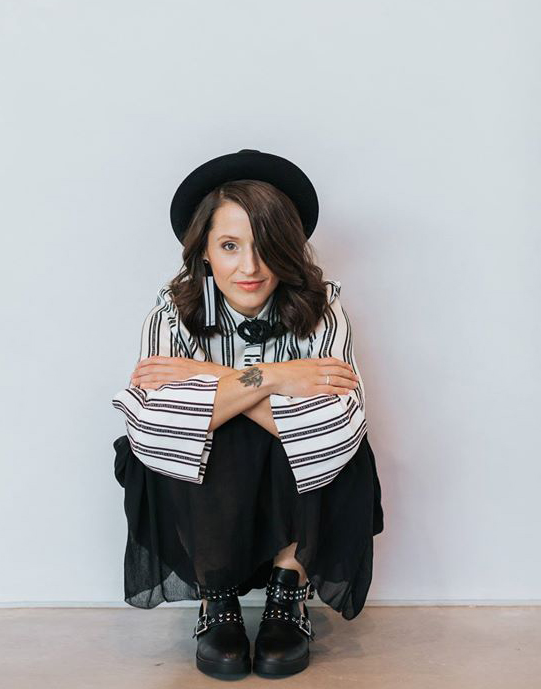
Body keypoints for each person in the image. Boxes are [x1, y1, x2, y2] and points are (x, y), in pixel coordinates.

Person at [111, 148, 384, 677]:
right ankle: (216, 597)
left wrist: (205, 383)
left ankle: (288, 590)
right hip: (208, 495)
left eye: (265, 246)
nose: (250, 268)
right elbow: (154, 427)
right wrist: (278, 377)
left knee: (328, 445)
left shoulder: (323, 309)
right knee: (198, 439)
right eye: (230, 246)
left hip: (296, 483)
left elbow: (333, 430)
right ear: (204, 251)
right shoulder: (171, 313)